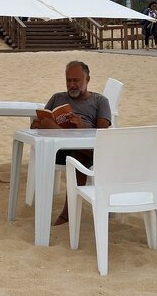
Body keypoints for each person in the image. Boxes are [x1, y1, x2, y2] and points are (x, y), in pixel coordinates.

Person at [31, 60, 112, 225]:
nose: (72, 85)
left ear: (87, 79)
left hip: (85, 150)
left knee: (78, 158)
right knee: (46, 124)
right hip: (58, 151)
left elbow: (103, 134)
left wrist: (81, 127)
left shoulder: (100, 101)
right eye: (69, 80)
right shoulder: (57, 98)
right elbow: (38, 124)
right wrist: (40, 123)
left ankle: (67, 213)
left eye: (76, 80)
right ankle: (67, 137)